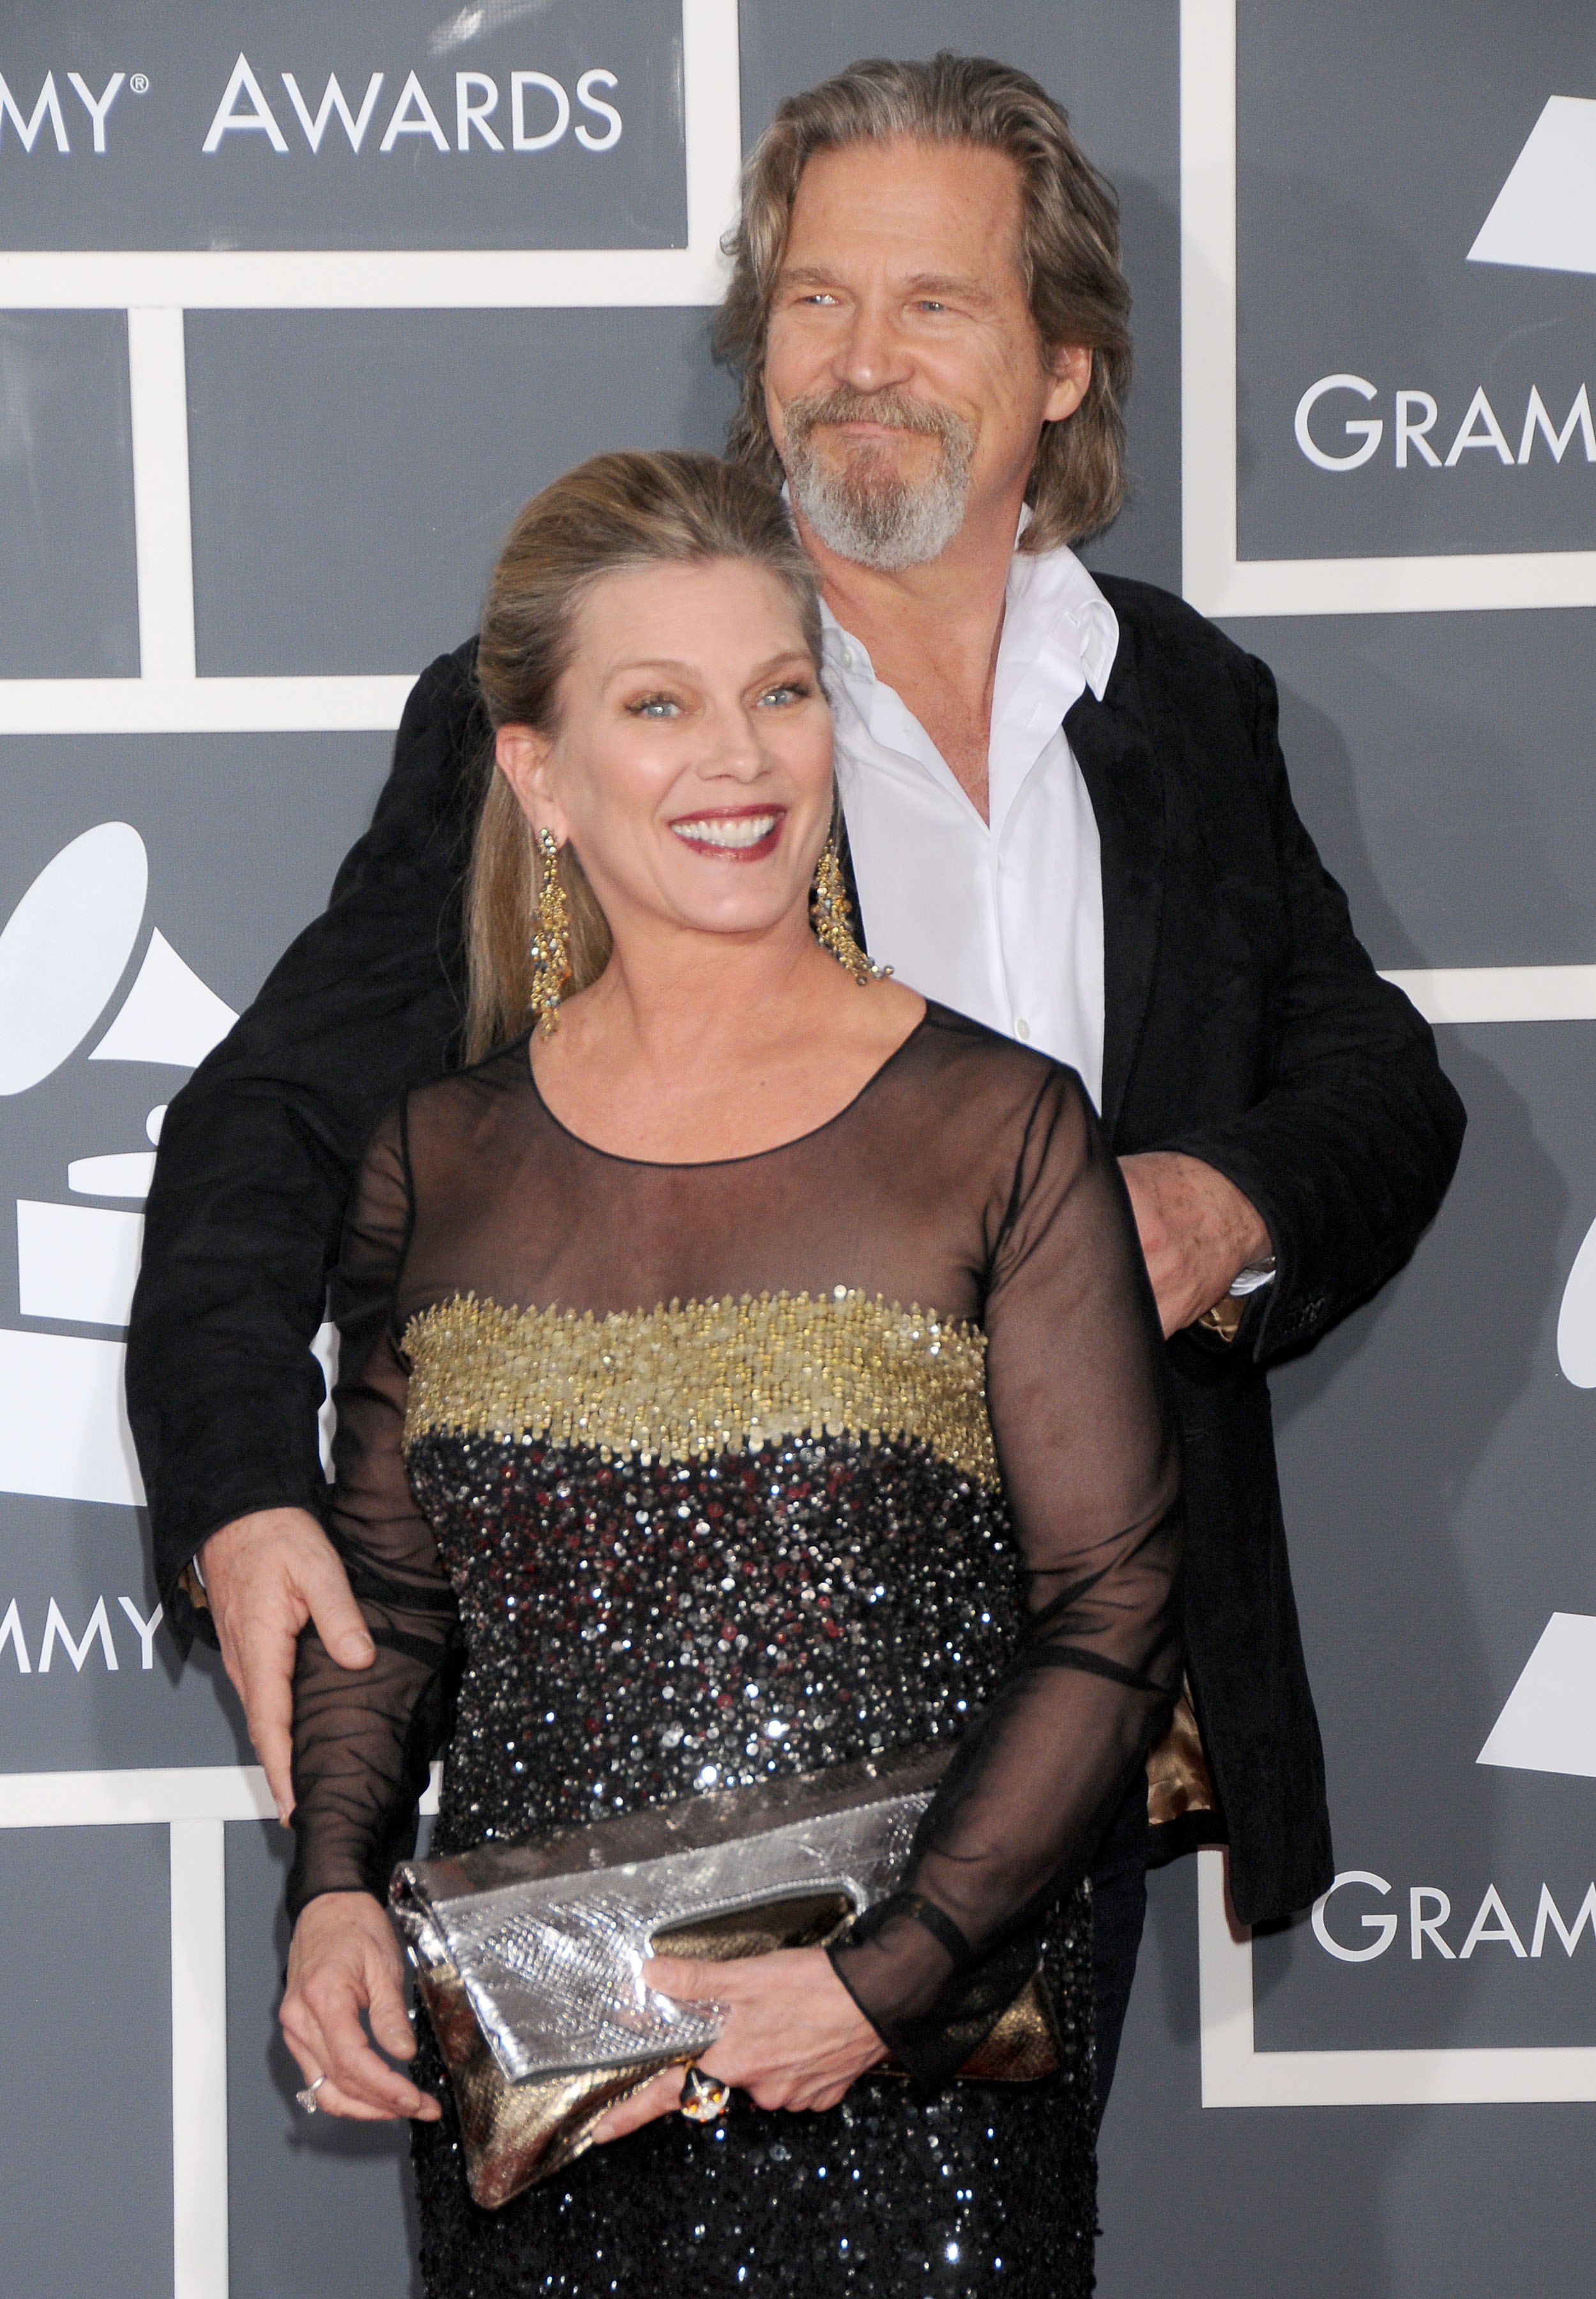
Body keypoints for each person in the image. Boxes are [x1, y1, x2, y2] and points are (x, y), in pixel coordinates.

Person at [127, 53, 1465, 2122]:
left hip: (1060, 1738)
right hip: (655, 1753)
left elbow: (1375, 1076)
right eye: (812, 302)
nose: (856, 363)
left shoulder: (1181, 701)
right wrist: (233, 1482)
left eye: (930, 305)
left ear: (1060, 368)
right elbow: (268, 1119)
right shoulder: (603, 708)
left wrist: (1225, 1204)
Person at [278, 446, 1181, 2296]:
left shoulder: (995, 1127)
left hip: (908, 2086)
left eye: (779, 693)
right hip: (556, 2087)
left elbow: (1110, 1602)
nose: (738, 759)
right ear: (539, 772)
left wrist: (882, 1982)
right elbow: (393, 1605)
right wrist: (326, 1896)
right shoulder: (435, 1159)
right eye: (658, 705)